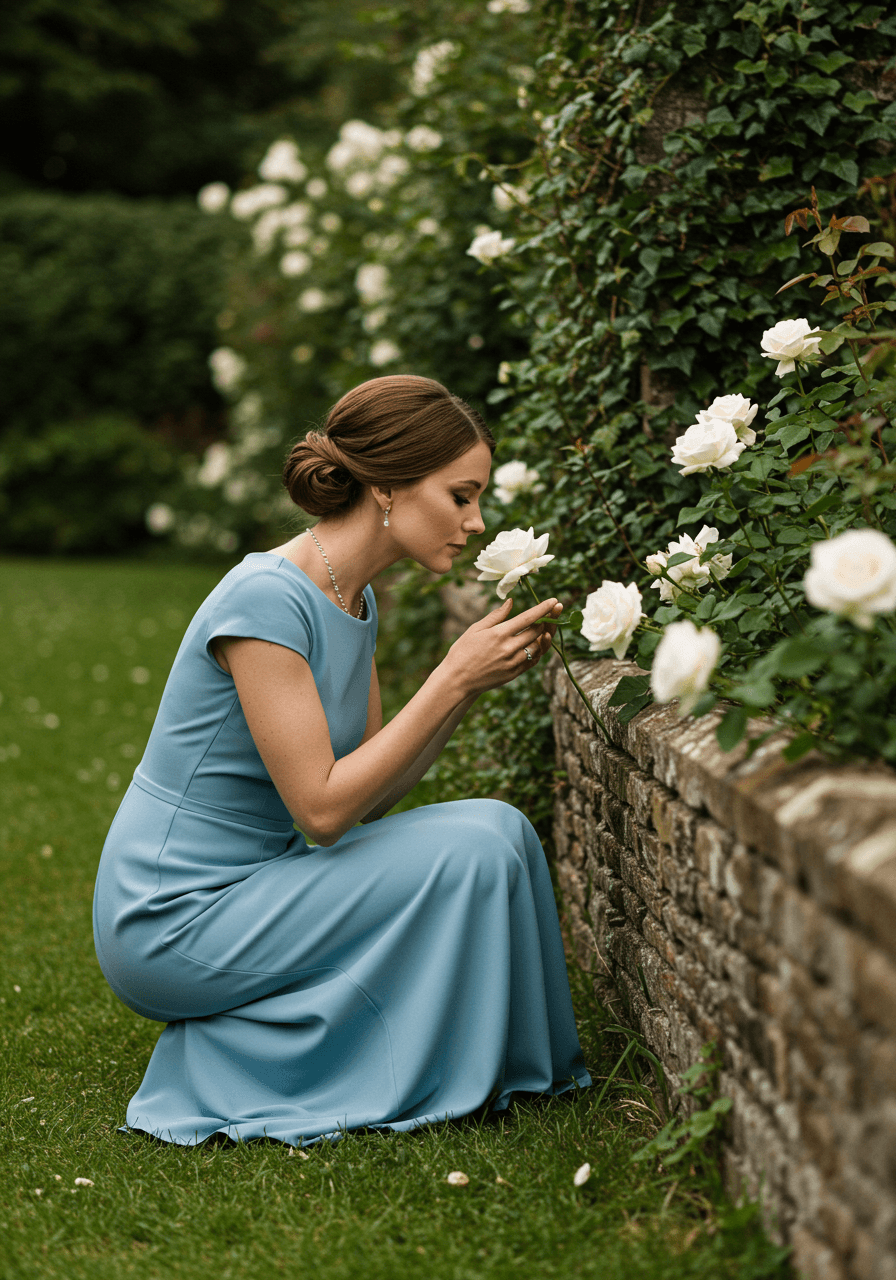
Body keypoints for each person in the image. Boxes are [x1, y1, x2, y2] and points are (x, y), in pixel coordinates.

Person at [93, 373, 591, 1147]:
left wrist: (467, 688)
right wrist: (451, 674)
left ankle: (517, 1069)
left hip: (257, 885)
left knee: (501, 836)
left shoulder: (352, 598)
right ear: (389, 486)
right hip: (172, 915)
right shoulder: (266, 598)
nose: (477, 520)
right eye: (460, 496)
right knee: (477, 841)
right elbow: (324, 813)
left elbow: (370, 794)